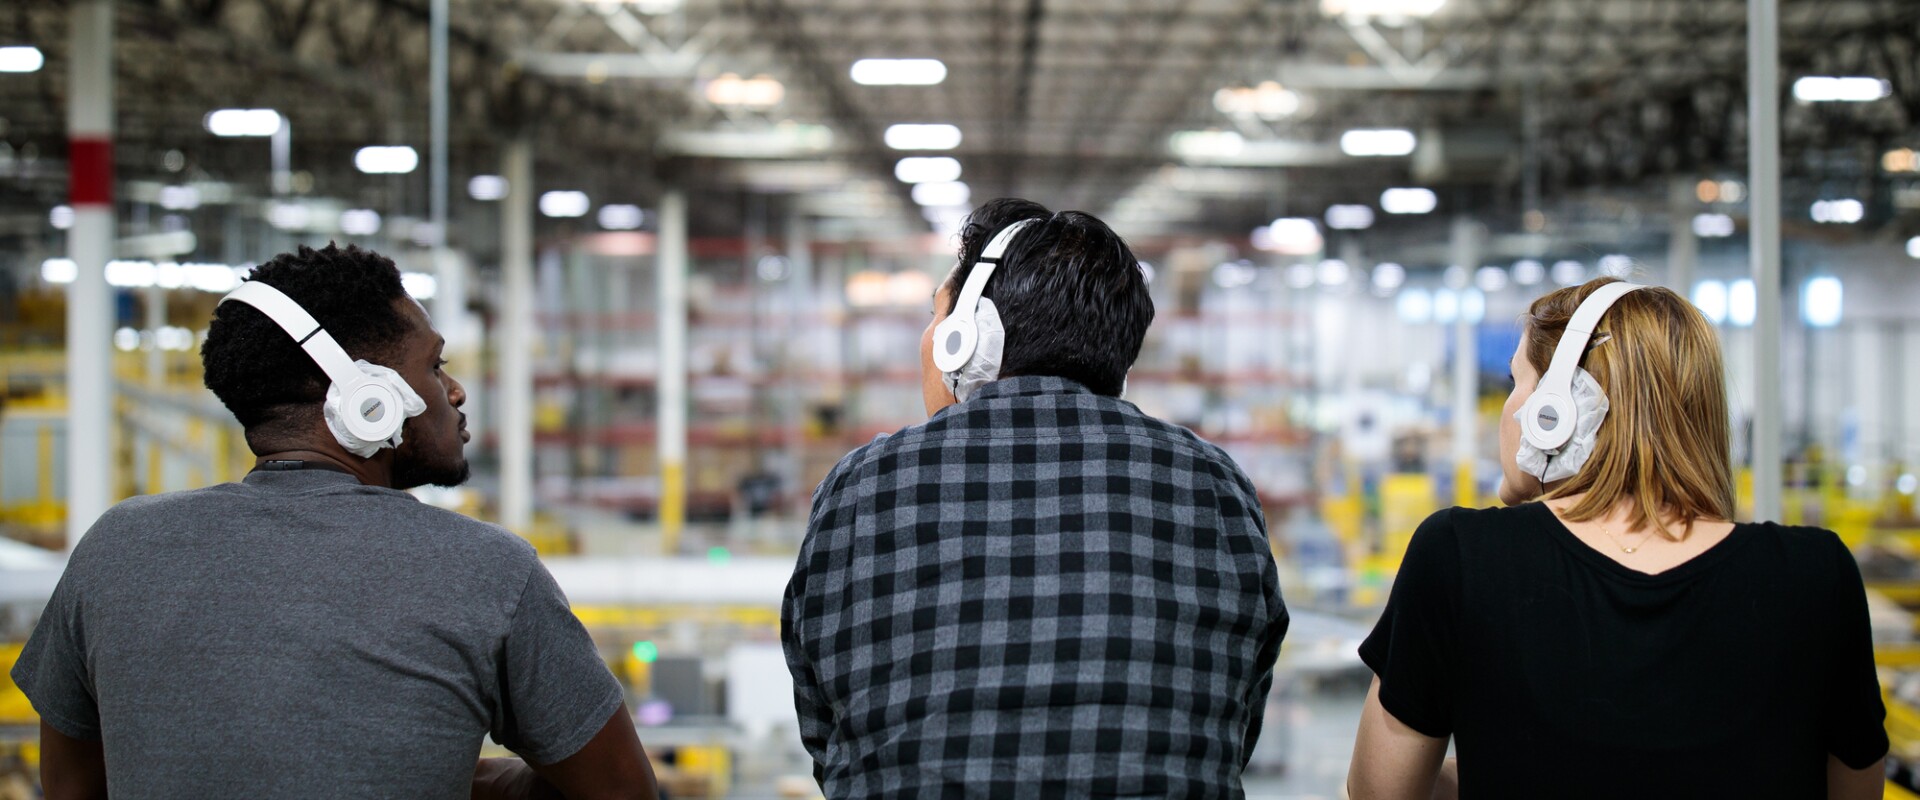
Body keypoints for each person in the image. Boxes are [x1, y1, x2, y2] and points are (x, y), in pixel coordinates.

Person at [12, 244, 657, 799]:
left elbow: (71, 785)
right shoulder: (487, 571)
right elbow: (623, 789)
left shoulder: (117, 549)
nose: (454, 391)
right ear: (366, 399)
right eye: (434, 365)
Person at [782, 199, 1290, 798]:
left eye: (937, 318)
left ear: (968, 340)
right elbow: (1236, 723)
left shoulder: (859, 491)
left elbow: (826, 734)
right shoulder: (1217, 487)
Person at [1347, 278, 1888, 799]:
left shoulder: (1460, 556)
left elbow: (1379, 793)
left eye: (1518, 384)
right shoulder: (1816, 574)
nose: (1508, 410)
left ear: (1556, 413)